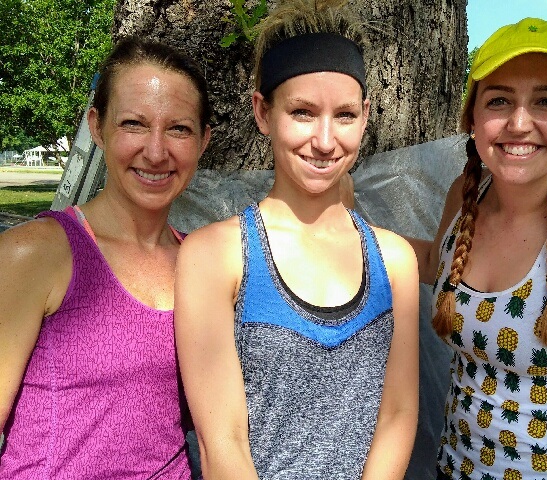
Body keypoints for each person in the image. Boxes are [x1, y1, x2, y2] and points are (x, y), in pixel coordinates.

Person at [173, 0, 420, 478]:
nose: (325, 141)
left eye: (344, 115)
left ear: (365, 116)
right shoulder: (215, 256)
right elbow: (221, 441)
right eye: (303, 112)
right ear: (263, 113)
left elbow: (398, 414)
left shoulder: (395, 261)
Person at [406, 17, 547, 480]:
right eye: (499, 100)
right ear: (472, 119)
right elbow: (435, 264)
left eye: (546, 101)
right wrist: (341, 228)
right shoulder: (466, 194)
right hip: (454, 468)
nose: (520, 124)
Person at [0, 37, 211, 478]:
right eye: (133, 123)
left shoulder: (203, 266)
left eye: (179, 129)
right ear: (97, 126)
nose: (156, 151)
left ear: (203, 140)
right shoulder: (39, 252)